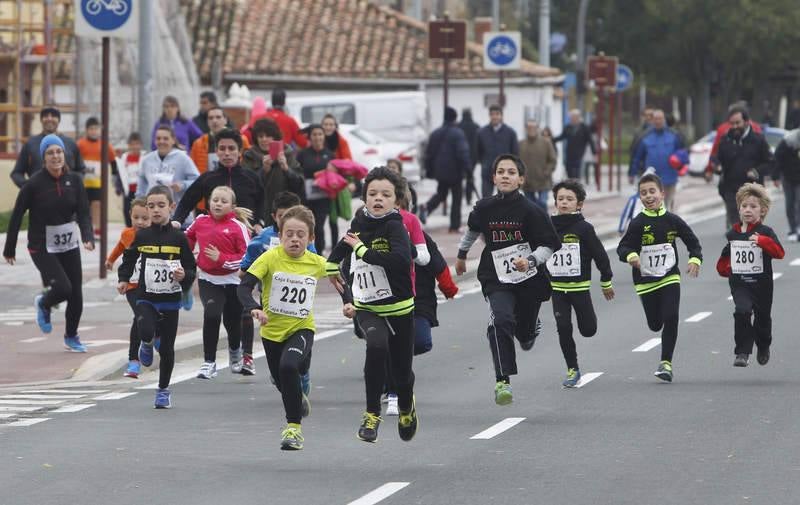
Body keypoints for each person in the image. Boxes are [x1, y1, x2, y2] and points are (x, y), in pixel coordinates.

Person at [455, 154, 560, 405]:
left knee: (523, 333)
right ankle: (503, 381)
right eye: (500, 171)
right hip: (496, 277)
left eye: (511, 172)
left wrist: (531, 260)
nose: (505, 175)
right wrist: (461, 255)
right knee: (501, 320)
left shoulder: (532, 211)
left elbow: (550, 245)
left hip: (529, 279)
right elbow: (473, 230)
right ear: (493, 177)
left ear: (521, 179)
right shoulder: (484, 208)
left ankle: (529, 329)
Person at [327, 167, 419, 443]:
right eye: (372, 194)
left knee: (402, 373)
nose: (378, 199)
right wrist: (332, 270)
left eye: (385, 194)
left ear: (396, 200)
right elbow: (337, 255)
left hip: (400, 307)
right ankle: (371, 415)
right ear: (364, 197)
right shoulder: (359, 223)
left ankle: (406, 405)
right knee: (376, 346)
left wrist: (363, 251)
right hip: (368, 306)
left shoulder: (395, 225)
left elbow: (401, 260)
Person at [238, 205, 337, 450]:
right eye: (289, 234)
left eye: (300, 235)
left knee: (289, 366)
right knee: (282, 379)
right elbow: (244, 286)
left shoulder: (316, 262)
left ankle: (293, 429)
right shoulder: (270, 258)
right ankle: (297, 390)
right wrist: (253, 307)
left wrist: (349, 304)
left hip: (302, 328)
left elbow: (341, 277)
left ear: (311, 238)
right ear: (280, 236)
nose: (294, 239)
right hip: (271, 332)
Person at [3, 134, 95, 352]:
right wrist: (9, 247)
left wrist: (87, 236)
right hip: (41, 245)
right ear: (43, 158)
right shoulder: (33, 184)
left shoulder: (75, 181)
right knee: (63, 288)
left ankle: (71, 336)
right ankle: (43, 303)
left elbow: (83, 213)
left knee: (76, 294)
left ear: (65, 154)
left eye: (59, 152)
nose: (55, 156)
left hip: (68, 243)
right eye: (50, 153)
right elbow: (17, 215)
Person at [616, 173, 702, 382]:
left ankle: (666, 363)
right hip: (645, 281)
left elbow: (692, 242)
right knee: (655, 324)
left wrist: (695, 259)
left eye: (652, 191)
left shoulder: (672, 220)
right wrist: (631, 255)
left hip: (669, 276)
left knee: (671, 316)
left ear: (662, 194)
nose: (648, 196)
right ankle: (658, 330)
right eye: (643, 193)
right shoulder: (638, 223)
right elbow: (622, 247)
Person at [117, 185, 197, 408]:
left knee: (168, 349)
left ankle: (163, 390)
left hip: (170, 300)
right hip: (146, 296)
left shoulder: (178, 238)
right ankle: (146, 343)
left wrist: (184, 276)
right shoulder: (142, 235)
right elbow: (129, 258)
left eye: (161, 205)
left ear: (171, 207)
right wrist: (124, 279)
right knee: (145, 329)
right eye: (151, 206)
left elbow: (191, 267)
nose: (155, 210)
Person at [239, 191, 317, 376]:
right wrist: (247, 269)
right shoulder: (264, 237)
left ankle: (302, 370)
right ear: (275, 217)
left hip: (298, 302)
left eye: (292, 214)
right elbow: (247, 261)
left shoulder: (304, 238)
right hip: (271, 301)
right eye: (283, 216)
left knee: (297, 352)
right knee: (280, 372)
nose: (289, 219)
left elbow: (316, 260)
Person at [546, 180, 614, 387]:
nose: (564, 203)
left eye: (569, 199)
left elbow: (599, 255)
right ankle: (572, 368)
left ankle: (587, 326)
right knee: (563, 327)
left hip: (580, 288)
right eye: (560, 199)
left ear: (579, 204)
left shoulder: (584, 228)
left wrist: (606, 279)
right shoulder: (548, 226)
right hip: (558, 289)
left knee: (588, 330)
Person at [186, 186, 251, 379]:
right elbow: (188, 237)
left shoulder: (237, 227)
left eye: (223, 201)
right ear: (208, 202)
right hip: (208, 279)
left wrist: (221, 258)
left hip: (233, 280)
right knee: (212, 314)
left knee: (232, 322)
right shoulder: (200, 221)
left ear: (232, 206)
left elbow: (246, 257)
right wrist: (186, 253)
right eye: (215, 200)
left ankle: (234, 352)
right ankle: (209, 362)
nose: (218, 204)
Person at [716, 183, 784, 368]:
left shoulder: (766, 232)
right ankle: (742, 352)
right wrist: (726, 268)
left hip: (762, 284)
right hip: (740, 284)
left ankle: (763, 345)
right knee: (742, 311)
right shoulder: (733, 234)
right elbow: (724, 260)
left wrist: (762, 241)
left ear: (762, 210)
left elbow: (779, 253)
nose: (748, 210)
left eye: (753, 207)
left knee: (762, 319)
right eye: (744, 206)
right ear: (738, 208)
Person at [173, 128, 266, 233]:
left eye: (231, 148)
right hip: (214, 237)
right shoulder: (207, 178)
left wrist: (259, 223)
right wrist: (177, 221)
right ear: (216, 151)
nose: (227, 153)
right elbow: (186, 202)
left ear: (240, 151)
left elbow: (262, 202)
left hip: (246, 236)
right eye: (222, 148)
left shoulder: (252, 178)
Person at [105, 198, 151, 378]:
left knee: (147, 318)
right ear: (130, 216)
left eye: (144, 218)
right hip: (131, 284)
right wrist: (110, 260)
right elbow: (119, 247)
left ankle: (153, 338)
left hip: (151, 285)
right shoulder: (127, 234)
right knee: (140, 316)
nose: (140, 222)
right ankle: (134, 361)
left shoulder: (157, 235)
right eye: (136, 217)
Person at [712, 106, 773, 229]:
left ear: (746, 122)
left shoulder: (758, 140)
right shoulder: (725, 140)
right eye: (732, 123)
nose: (734, 126)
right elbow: (717, 158)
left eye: (737, 123)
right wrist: (717, 166)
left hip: (753, 189)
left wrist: (756, 171)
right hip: (731, 189)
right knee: (736, 225)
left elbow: (770, 162)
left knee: (752, 225)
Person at [242, 118, 305, 226]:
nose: (264, 139)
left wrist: (286, 169)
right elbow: (247, 186)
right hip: (259, 213)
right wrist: (263, 171)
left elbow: (299, 184)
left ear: (275, 137)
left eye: (268, 136)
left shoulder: (287, 154)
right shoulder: (249, 156)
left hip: (285, 211)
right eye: (260, 136)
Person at [422, 106, 471, 232]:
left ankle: (427, 207)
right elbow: (463, 153)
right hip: (455, 172)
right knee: (456, 198)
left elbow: (429, 154)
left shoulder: (435, 133)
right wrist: (468, 170)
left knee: (441, 194)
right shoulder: (458, 133)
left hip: (440, 172)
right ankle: (454, 226)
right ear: (455, 118)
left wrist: (429, 170)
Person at [11, 106, 83, 188]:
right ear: (41, 120)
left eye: (53, 116)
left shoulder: (71, 143)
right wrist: (28, 187)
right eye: (45, 116)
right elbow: (16, 173)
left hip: (66, 196)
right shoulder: (30, 144)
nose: (49, 118)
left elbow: (81, 170)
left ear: (59, 120)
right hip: (38, 197)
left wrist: (73, 185)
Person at [136, 126, 200, 218]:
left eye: (165, 138)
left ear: (173, 140)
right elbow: (141, 187)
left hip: (178, 217)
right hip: (153, 217)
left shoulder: (183, 158)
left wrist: (182, 185)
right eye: (158, 138)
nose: (161, 141)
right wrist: (140, 205)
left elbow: (197, 180)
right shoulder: (147, 160)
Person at [628, 110, 684, 211]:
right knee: (653, 207)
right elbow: (637, 157)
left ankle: (667, 225)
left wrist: (682, 166)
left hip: (670, 178)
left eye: (660, 119)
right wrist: (632, 173)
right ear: (652, 121)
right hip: (652, 179)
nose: (658, 121)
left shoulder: (674, 135)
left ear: (664, 120)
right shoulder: (645, 136)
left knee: (667, 207)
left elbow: (681, 154)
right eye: (656, 119)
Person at [296, 124, 335, 252]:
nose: (317, 137)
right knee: (306, 225)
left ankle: (319, 254)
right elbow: (297, 172)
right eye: (314, 134)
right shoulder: (302, 154)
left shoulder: (330, 154)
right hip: (306, 197)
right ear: (310, 137)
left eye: (320, 134)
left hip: (323, 197)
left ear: (324, 136)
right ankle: (305, 252)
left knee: (319, 226)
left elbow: (337, 174)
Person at [76, 116, 118, 235]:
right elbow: (73, 158)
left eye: (96, 129)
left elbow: (113, 160)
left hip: (98, 182)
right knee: (84, 207)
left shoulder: (105, 144)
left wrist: (115, 174)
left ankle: (98, 228)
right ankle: (87, 228)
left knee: (97, 204)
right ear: (87, 130)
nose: (93, 131)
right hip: (83, 181)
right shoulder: (80, 144)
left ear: (99, 130)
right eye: (91, 129)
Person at [704, 102, 763, 181]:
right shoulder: (723, 129)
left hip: (748, 177)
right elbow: (716, 152)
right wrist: (710, 169)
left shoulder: (755, 129)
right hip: (732, 179)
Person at [321, 114, 354, 247]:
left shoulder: (341, 141)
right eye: (326, 124)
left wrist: (349, 181)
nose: (328, 127)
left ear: (335, 126)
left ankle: (334, 245)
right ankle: (320, 245)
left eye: (331, 124)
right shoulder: (317, 139)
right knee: (320, 218)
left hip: (336, 184)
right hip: (321, 183)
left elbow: (348, 162)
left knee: (333, 219)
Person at [190, 106, 251, 174]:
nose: (214, 121)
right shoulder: (198, 144)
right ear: (207, 122)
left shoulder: (241, 139)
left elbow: (249, 163)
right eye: (211, 118)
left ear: (225, 120)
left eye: (218, 117)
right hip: (207, 182)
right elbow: (192, 169)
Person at [477, 104, 519, 198]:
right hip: (487, 172)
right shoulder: (481, 132)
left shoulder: (510, 133)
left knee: (504, 199)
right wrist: (484, 162)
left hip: (505, 173)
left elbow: (515, 153)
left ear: (501, 115)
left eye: (497, 114)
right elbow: (478, 152)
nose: (495, 116)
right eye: (492, 114)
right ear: (489, 115)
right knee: (486, 199)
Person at [241, 88, 307, 148]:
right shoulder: (290, 121)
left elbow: (245, 136)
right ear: (284, 102)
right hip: (283, 155)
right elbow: (303, 143)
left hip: (261, 156)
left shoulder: (258, 118)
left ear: (272, 101)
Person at [519, 119, 557, 210]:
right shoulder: (520, 144)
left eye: (534, 127)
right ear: (526, 129)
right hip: (527, 182)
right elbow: (517, 162)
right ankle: (534, 223)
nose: (531, 129)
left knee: (542, 203)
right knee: (530, 205)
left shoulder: (546, 142)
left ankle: (544, 222)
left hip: (543, 180)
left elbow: (552, 160)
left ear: (538, 129)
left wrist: (546, 172)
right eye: (529, 128)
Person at [772, 128, 800, 241]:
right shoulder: (788, 141)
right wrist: (775, 176)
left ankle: (799, 226)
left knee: (799, 201)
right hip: (787, 176)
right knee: (790, 204)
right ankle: (793, 229)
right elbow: (777, 158)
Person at [553, 109, 596, 180]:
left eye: (573, 117)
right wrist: (552, 140)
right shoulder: (568, 127)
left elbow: (590, 140)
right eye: (571, 118)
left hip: (579, 153)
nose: (571, 119)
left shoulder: (584, 127)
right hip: (569, 152)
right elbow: (562, 136)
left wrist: (594, 152)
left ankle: (576, 185)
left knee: (577, 171)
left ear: (578, 117)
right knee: (568, 170)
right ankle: (572, 182)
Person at [117, 132, 145, 227]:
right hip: (128, 192)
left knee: (141, 213)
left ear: (141, 145)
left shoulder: (144, 158)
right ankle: (129, 232)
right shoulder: (124, 159)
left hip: (141, 193)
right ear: (128, 145)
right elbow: (120, 174)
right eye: (132, 144)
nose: (135, 147)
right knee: (127, 212)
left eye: (137, 144)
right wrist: (119, 187)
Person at [458, 107, 480, 203]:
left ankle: (460, 195)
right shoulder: (476, 127)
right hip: (472, 157)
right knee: (470, 177)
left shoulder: (458, 126)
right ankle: (468, 197)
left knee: (459, 177)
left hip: (460, 156)